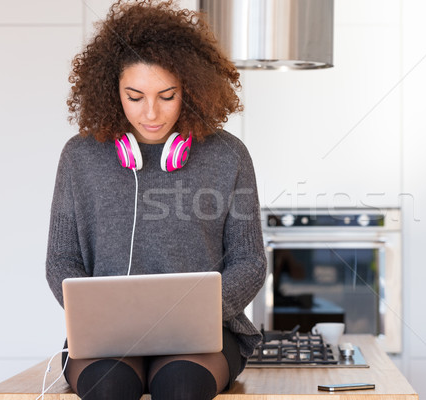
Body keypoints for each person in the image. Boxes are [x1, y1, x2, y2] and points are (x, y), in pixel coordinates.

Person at [45, 1, 267, 399]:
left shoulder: (228, 155)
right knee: (108, 386)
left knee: (180, 385)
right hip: (108, 335)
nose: (151, 113)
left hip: (204, 335)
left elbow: (249, 262)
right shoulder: (79, 157)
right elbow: (61, 260)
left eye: (167, 96)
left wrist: (195, 312)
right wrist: (97, 316)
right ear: (112, 91)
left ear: (191, 89)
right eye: (135, 96)